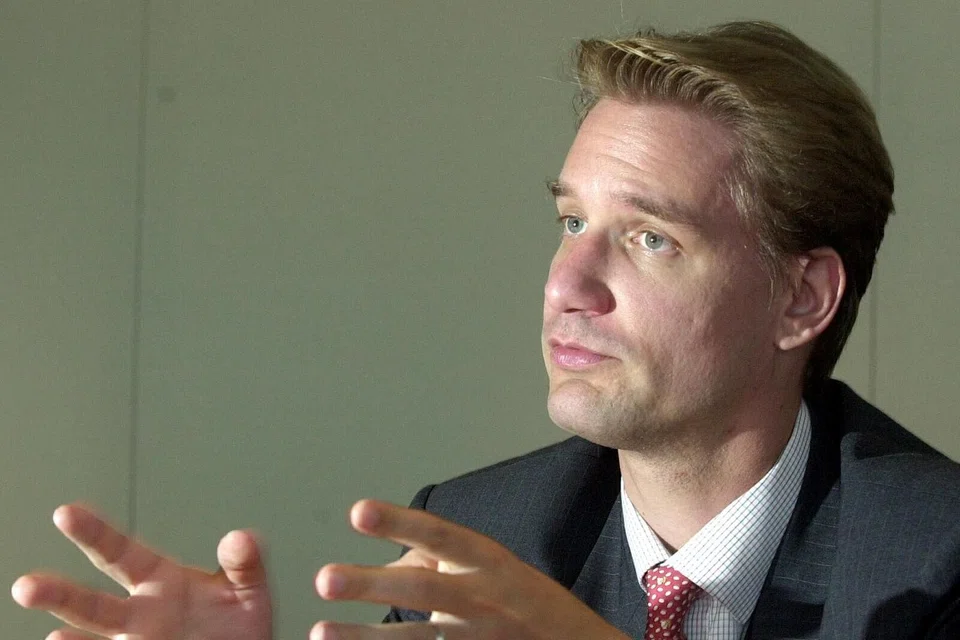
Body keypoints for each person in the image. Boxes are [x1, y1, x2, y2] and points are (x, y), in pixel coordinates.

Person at [12, 20, 960, 640]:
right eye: (571, 222)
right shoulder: (485, 534)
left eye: (649, 238)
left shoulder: (937, 557)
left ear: (801, 299)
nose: (566, 285)